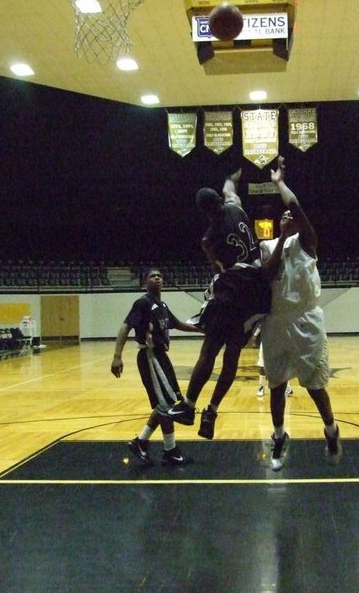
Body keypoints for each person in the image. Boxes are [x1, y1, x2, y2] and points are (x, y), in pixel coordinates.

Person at [164, 168, 271, 440]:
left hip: (235, 289)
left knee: (209, 350)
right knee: (232, 354)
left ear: (205, 212)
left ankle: (188, 407)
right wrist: (231, 179)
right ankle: (211, 410)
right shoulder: (237, 209)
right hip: (258, 290)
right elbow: (230, 190)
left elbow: (218, 264)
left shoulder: (208, 238)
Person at [257, 156, 342, 471]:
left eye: (294, 213)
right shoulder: (268, 246)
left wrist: (280, 183)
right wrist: (279, 240)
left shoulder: (308, 240)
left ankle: (331, 430)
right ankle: (279, 436)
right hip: (276, 321)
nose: (290, 213)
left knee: (315, 385)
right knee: (277, 384)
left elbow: (295, 203)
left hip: (306, 320)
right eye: (286, 214)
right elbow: (266, 275)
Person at [111, 268, 204, 466]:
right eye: (153, 276)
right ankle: (170, 450)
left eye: (160, 276)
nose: (157, 278)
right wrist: (117, 356)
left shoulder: (161, 305)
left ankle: (141, 442)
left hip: (161, 357)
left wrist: (203, 330)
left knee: (166, 402)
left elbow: (177, 323)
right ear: (146, 282)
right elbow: (125, 327)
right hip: (150, 356)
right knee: (166, 406)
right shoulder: (142, 303)